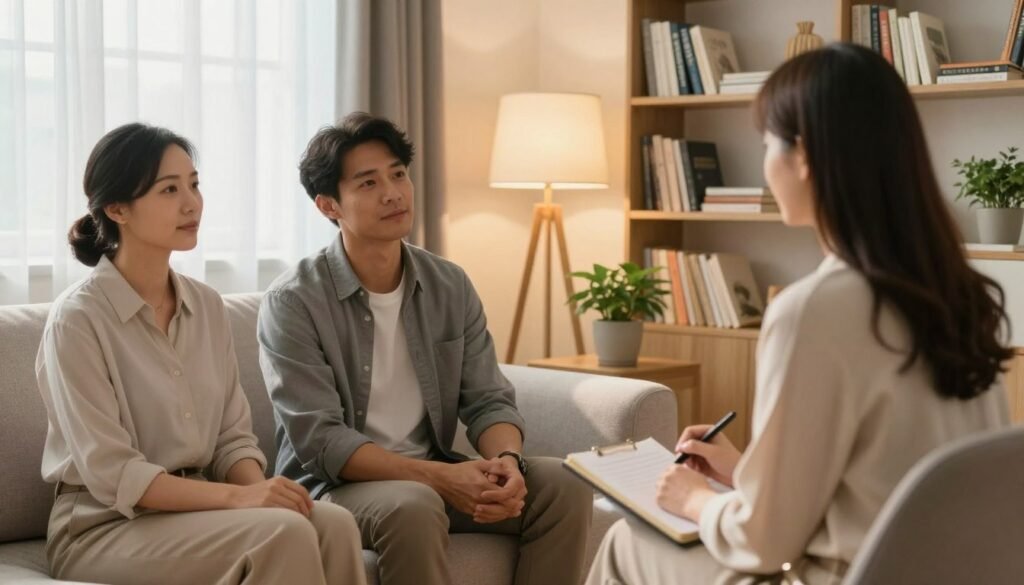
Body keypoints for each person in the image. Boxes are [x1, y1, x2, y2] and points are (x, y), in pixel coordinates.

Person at [586, 43, 1011, 585]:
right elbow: (881, 490)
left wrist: (695, 500)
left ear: (804, 155)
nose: (765, 165)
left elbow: (764, 546)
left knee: (627, 541)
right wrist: (746, 475)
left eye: (766, 144)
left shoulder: (813, 310)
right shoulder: (964, 299)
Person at [257, 112, 593, 585]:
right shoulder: (292, 301)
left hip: (433, 475)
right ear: (328, 205)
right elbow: (322, 442)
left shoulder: (448, 284)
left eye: (398, 174)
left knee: (564, 483)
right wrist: (437, 478)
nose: (393, 192)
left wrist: (508, 463)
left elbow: (488, 398)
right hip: (333, 489)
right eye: (368, 183)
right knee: (413, 504)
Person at [37, 123, 367, 585]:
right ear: (117, 209)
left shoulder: (208, 306)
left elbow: (231, 438)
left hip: (195, 511)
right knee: (282, 534)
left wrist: (263, 491)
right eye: (169, 189)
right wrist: (241, 501)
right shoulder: (77, 320)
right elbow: (116, 475)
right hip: (103, 526)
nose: (192, 203)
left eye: (193, 184)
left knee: (333, 523)